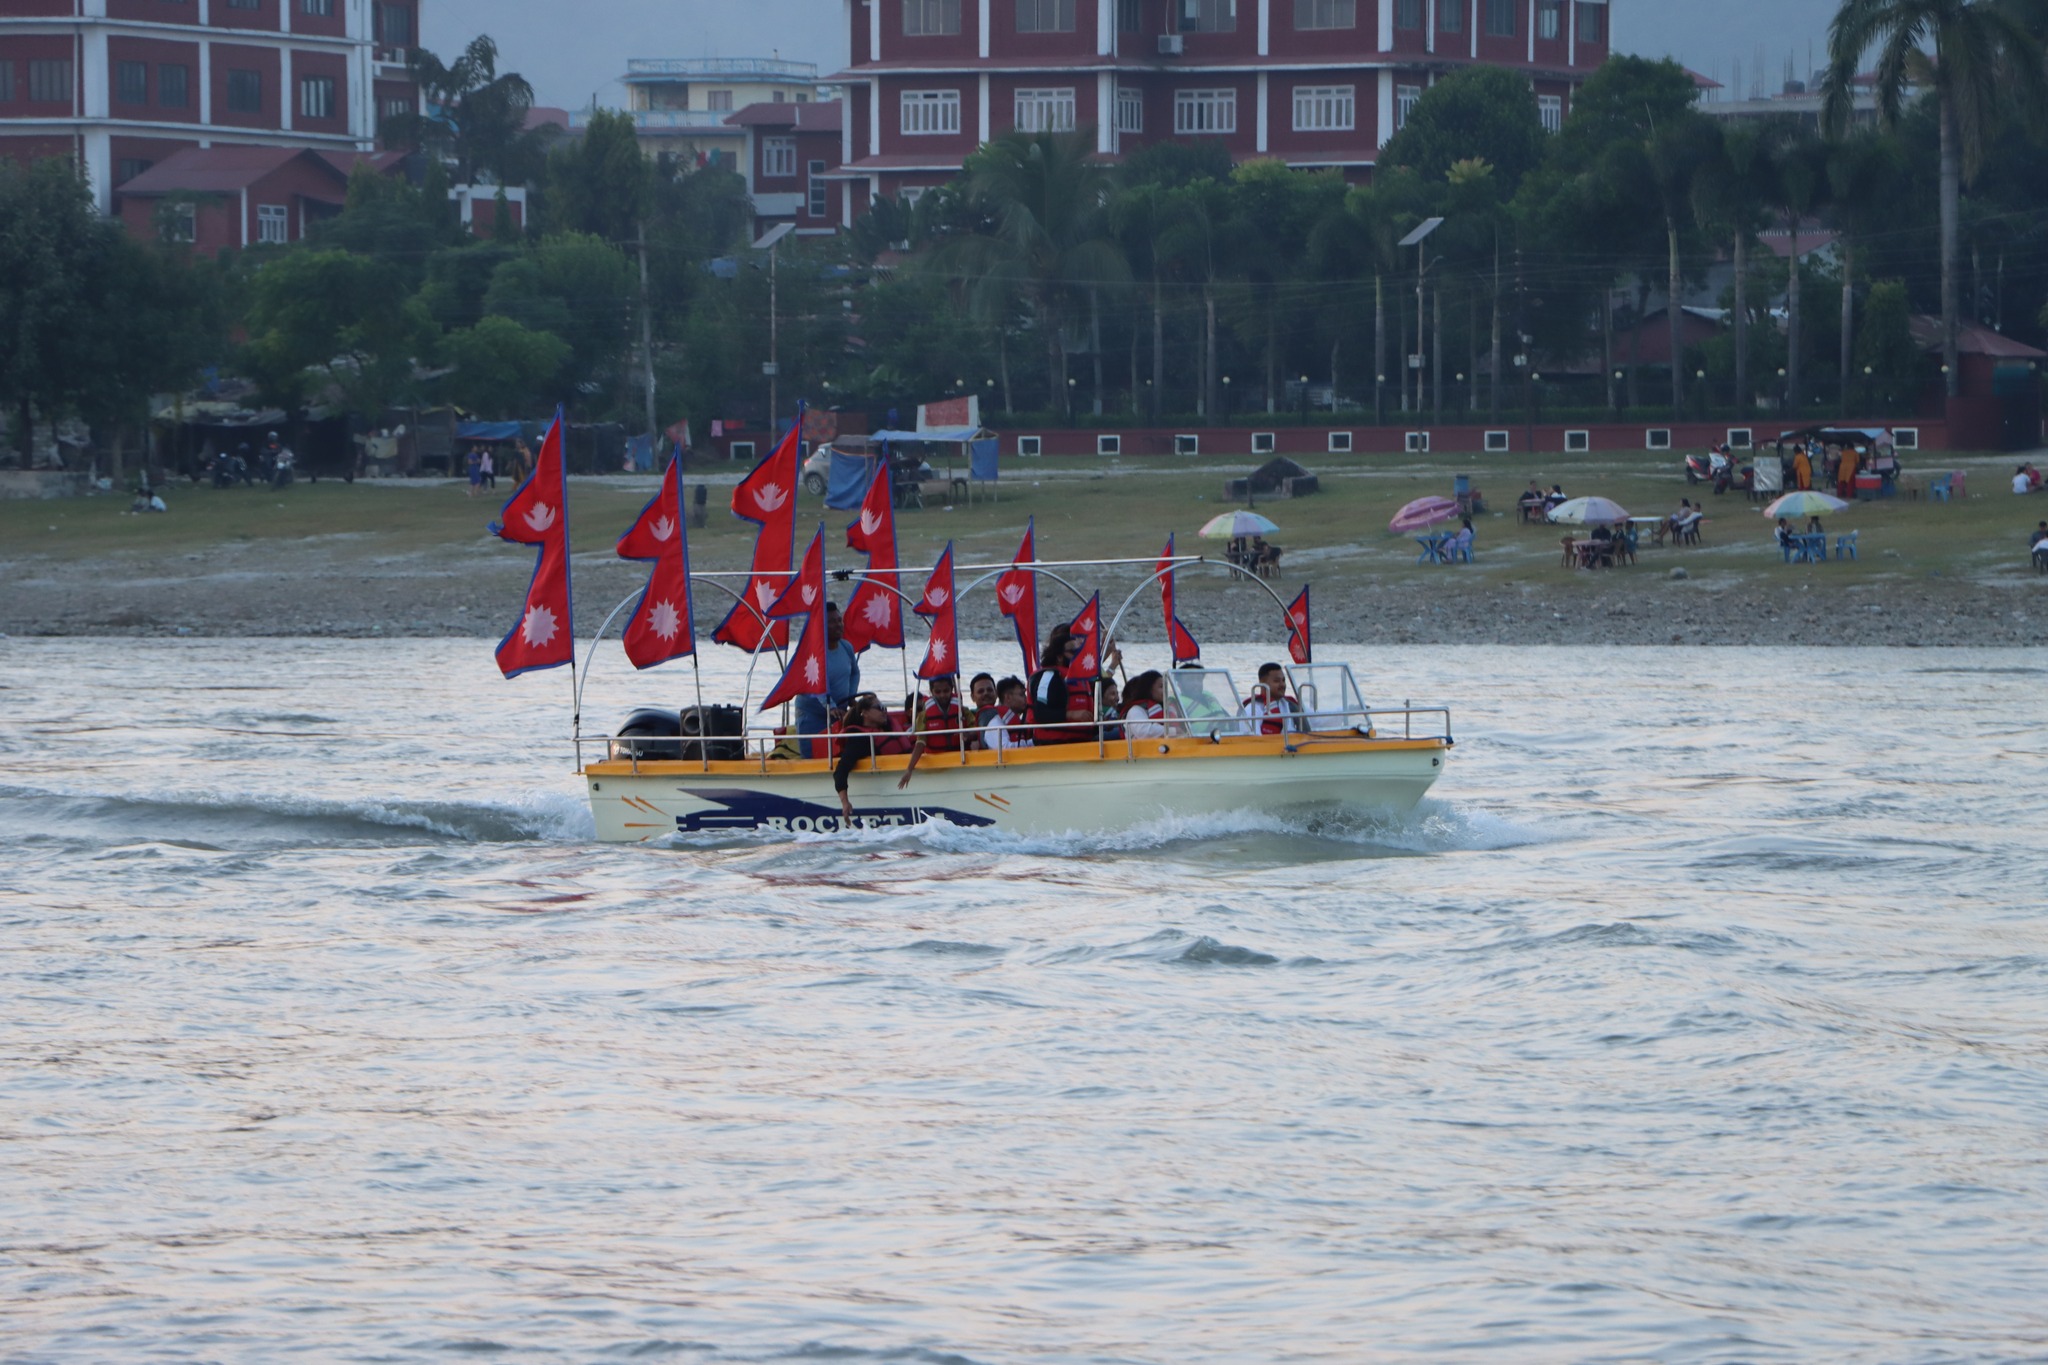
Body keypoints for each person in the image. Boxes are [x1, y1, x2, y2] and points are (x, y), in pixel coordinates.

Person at [794, 603, 861, 759]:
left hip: (839, 715)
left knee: (841, 754)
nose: (838, 625)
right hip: (812, 715)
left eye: (839, 621)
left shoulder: (846, 647)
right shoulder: (814, 652)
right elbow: (814, 682)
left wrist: (851, 696)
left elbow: (855, 673)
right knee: (814, 757)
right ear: (821, 626)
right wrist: (829, 705)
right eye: (832, 622)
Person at [833, 693, 911, 820]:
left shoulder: (887, 729)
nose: (884, 712)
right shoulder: (859, 739)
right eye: (879, 708)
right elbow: (840, 771)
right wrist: (845, 802)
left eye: (885, 708)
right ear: (865, 713)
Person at [901, 674, 968, 787]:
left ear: (951, 690)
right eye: (938, 692)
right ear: (931, 692)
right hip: (936, 761)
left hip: (959, 757)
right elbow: (920, 742)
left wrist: (969, 735)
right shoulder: (924, 716)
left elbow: (973, 727)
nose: (942, 695)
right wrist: (909, 769)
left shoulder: (962, 710)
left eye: (946, 691)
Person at [1240, 662, 1298, 735]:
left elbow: (1315, 720)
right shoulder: (1252, 711)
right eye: (1276, 681)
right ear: (1262, 683)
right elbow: (1253, 741)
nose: (1282, 684)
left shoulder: (1290, 704)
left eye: (1283, 680)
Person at [983, 676, 1033, 752]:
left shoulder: (1020, 722)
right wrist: (1034, 742)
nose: (1025, 698)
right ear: (1008, 697)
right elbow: (1004, 749)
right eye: (1021, 694)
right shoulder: (995, 724)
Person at [1122, 671, 1174, 740]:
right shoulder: (1135, 710)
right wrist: (1174, 731)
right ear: (1148, 689)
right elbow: (1143, 732)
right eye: (1161, 686)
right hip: (1142, 749)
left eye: (1165, 686)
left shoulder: (1167, 708)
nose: (1165, 690)